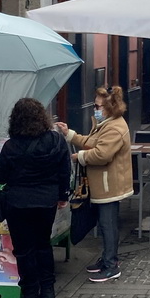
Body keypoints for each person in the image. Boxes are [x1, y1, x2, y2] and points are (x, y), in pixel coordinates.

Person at [0, 98, 71, 298]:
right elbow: (65, 170)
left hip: (18, 203)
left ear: (15, 119)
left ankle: (30, 297)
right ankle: (48, 293)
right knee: (43, 245)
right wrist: (63, 195)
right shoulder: (55, 140)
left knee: (25, 250)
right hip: (47, 201)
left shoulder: (11, 146)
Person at [56, 86, 133, 282]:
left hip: (109, 185)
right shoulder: (106, 123)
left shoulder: (115, 127)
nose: (94, 109)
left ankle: (111, 264)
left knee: (108, 225)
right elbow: (92, 142)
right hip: (102, 183)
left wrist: (78, 156)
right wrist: (70, 134)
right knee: (104, 223)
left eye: (97, 106)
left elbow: (102, 154)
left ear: (109, 107)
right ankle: (107, 258)